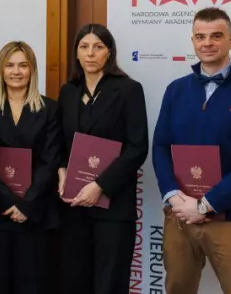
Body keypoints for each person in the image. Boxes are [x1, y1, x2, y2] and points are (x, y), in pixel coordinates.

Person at [152, 7, 231, 294]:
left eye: (216, 36)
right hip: (180, 216)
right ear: (193, 41)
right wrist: (173, 196)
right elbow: (160, 147)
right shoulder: (175, 90)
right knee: (177, 288)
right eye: (200, 37)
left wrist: (205, 205)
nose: (207, 43)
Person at [57, 23, 148, 294]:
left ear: (109, 52)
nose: (90, 53)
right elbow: (59, 143)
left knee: (110, 284)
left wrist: (100, 186)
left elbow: (137, 147)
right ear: (76, 52)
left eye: (98, 47)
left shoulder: (129, 90)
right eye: (84, 47)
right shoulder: (68, 91)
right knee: (74, 282)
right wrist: (61, 172)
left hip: (113, 207)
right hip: (73, 207)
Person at [0, 41, 62, 294]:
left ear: (32, 69)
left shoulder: (50, 108)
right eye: (9, 65)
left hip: (36, 212)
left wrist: (26, 204)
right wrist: (7, 202)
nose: (16, 71)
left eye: (23, 65)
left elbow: (50, 160)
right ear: (0, 70)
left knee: (33, 283)